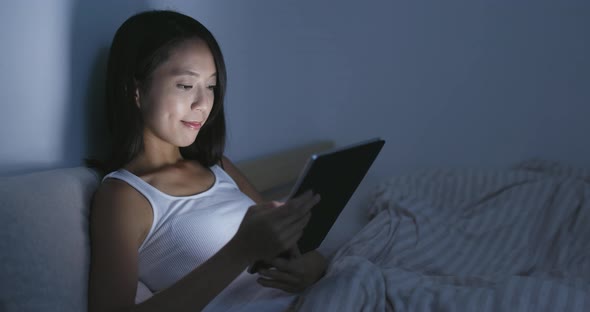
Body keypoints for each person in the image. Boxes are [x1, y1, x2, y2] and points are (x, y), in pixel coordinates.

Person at [88, 10, 327, 312]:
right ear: (135, 91)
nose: (203, 104)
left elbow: (305, 252)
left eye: (211, 87)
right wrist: (239, 252)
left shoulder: (219, 166)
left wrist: (310, 268)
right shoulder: (124, 196)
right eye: (186, 86)